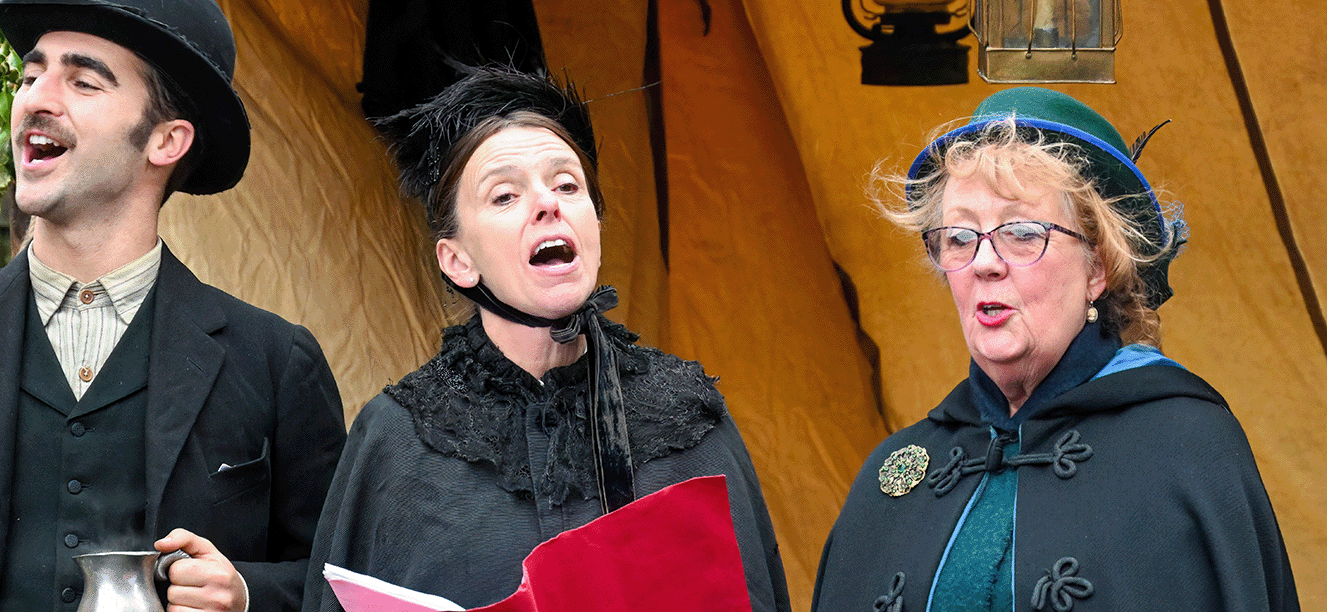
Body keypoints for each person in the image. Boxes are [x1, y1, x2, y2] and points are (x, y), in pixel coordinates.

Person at [0, 0, 347, 611]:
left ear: (165, 140)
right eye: (30, 76)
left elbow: (342, 585)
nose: (36, 99)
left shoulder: (274, 363)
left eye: (82, 81)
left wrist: (246, 594)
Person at [301, 66, 791, 612]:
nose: (547, 203)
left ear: (596, 224)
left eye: (567, 184)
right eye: (505, 195)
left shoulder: (687, 419)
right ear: (457, 260)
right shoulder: (400, 440)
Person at [812, 87, 1298, 612]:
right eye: (959, 237)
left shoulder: (1186, 450)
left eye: (1021, 232)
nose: (984, 263)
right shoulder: (897, 469)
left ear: (1098, 267)